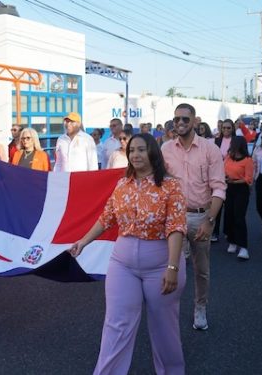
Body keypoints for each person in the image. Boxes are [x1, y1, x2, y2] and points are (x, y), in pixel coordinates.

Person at [69, 133, 186, 375]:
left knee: (164, 330)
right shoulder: (123, 184)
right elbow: (107, 217)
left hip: (162, 264)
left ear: (153, 152)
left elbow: (176, 227)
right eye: (132, 150)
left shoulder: (171, 185)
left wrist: (172, 267)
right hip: (123, 264)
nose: (135, 154)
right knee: (116, 327)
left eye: (141, 149)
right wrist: (84, 241)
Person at [161, 103, 226, 331]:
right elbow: (157, 181)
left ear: (195, 121)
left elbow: (219, 187)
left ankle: (200, 307)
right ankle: (170, 309)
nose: (180, 123)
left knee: (201, 269)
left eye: (185, 119)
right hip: (173, 217)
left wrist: (210, 221)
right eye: (176, 119)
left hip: (200, 217)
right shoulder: (166, 149)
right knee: (171, 265)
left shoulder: (210, 150)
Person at [223, 136, 254, 260]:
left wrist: (234, 181)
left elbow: (248, 179)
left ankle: (243, 247)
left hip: (241, 189)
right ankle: (232, 241)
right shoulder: (228, 158)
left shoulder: (247, 160)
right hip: (229, 188)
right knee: (229, 215)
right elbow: (223, 170)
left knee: (239, 217)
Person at [211, 119, 234, 242]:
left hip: (231, 177)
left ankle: (228, 231)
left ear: (232, 129)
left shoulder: (236, 141)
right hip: (218, 176)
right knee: (216, 205)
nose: (225, 130)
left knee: (230, 207)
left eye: (228, 128)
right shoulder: (216, 140)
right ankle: (215, 232)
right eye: (223, 128)